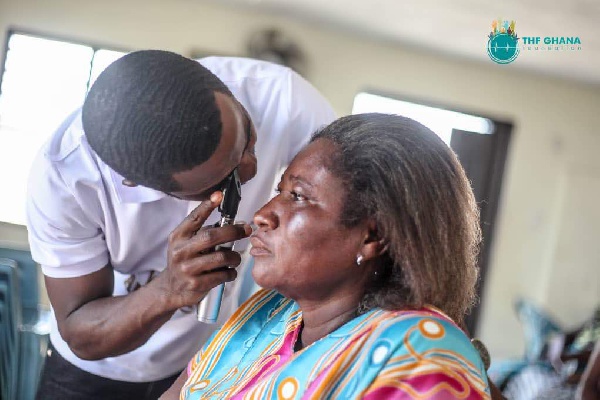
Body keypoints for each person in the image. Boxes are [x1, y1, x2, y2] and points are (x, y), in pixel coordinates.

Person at [26, 50, 336, 399]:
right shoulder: (65, 179)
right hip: (90, 375)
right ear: (140, 185)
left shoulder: (284, 98)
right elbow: (81, 332)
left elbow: (350, 192)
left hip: (207, 361)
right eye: (222, 181)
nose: (250, 170)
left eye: (245, 140)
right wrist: (169, 289)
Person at [161, 113, 492, 399]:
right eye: (280, 192)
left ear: (372, 236)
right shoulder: (267, 311)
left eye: (299, 196)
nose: (263, 214)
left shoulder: (418, 357)